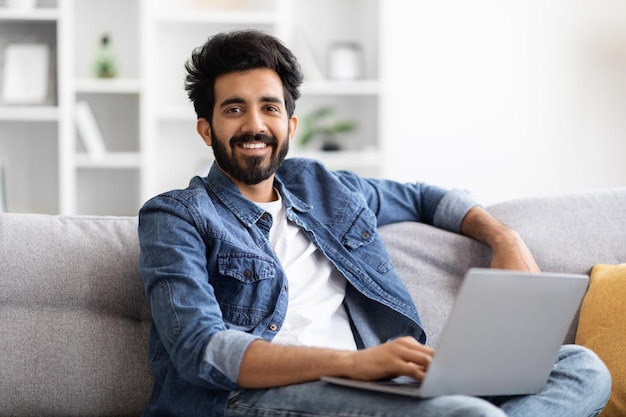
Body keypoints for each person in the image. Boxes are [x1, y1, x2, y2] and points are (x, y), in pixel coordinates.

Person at [137, 30, 610, 417]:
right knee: (470, 415)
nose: (254, 124)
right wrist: (357, 364)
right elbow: (202, 349)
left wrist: (503, 238)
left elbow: (429, 198)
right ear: (207, 129)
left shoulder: (325, 187)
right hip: (253, 400)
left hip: (382, 388)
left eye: (270, 107)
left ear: (290, 125)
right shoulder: (177, 215)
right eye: (234, 109)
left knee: (583, 367)